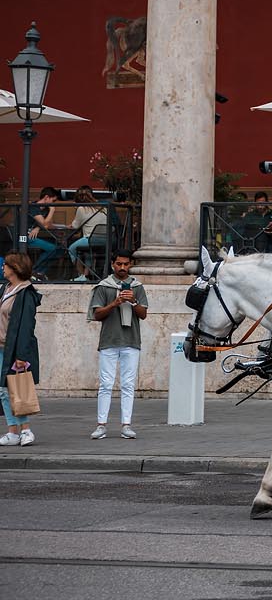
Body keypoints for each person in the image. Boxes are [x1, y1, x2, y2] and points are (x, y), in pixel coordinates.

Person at [87, 251, 148, 439]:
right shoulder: (103, 287)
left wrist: (132, 300)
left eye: (126, 264)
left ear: (130, 265)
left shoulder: (137, 287)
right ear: (113, 264)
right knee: (105, 384)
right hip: (109, 341)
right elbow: (97, 314)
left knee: (128, 384)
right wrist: (115, 302)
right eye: (119, 264)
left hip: (131, 341)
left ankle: (126, 425)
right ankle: (101, 425)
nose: (122, 268)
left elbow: (143, 314)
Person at [0, 253, 42, 447]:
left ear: (15, 268)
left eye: (6, 265)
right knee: (3, 391)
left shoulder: (26, 292)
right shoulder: (6, 288)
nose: (3, 267)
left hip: (14, 350)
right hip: (1, 347)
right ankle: (12, 431)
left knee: (16, 390)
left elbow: (26, 326)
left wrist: (21, 356)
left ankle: (26, 430)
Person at [66, 185, 109, 282]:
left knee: (72, 249)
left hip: (90, 239)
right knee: (88, 252)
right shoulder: (102, 208)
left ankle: (81, 275)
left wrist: (70, 224)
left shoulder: (82, 208)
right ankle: (86, 275)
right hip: (105, 240)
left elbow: (75, 226)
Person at [26, 186, 63, 277]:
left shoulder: (45, 209)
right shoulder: (34, 207)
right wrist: (52, 211)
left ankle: (40, 272)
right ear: (46, 197)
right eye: (53, 201)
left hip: (35, 236)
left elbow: (47, 224)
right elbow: (45, 225)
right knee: (52, 248)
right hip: (24, 237)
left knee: (60, 250)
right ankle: (34, 272)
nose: (54, 204)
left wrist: (38, 227)